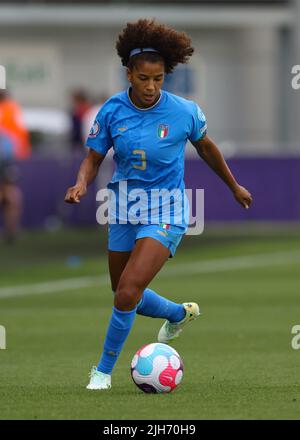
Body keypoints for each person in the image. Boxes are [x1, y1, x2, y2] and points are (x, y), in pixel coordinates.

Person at [64, 19, 253, 390]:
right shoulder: (111, 111)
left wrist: (233, 186)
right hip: (122, 208)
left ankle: (102, 372)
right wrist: (81, 182)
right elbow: (93, 157)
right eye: (143, 78)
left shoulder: (184, 112)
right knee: (121, 289)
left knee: (128, 291)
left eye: (159, 79)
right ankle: (178, 313)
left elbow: (207, 148)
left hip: (167, 209)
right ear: (128, 74)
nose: (151, 87)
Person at [0, 90, 29, 243]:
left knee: (10, 194)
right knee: (11, 194)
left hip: (5, 157)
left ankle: (11, 231)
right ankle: (11, 230)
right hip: (6, 157)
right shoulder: (11, 109)